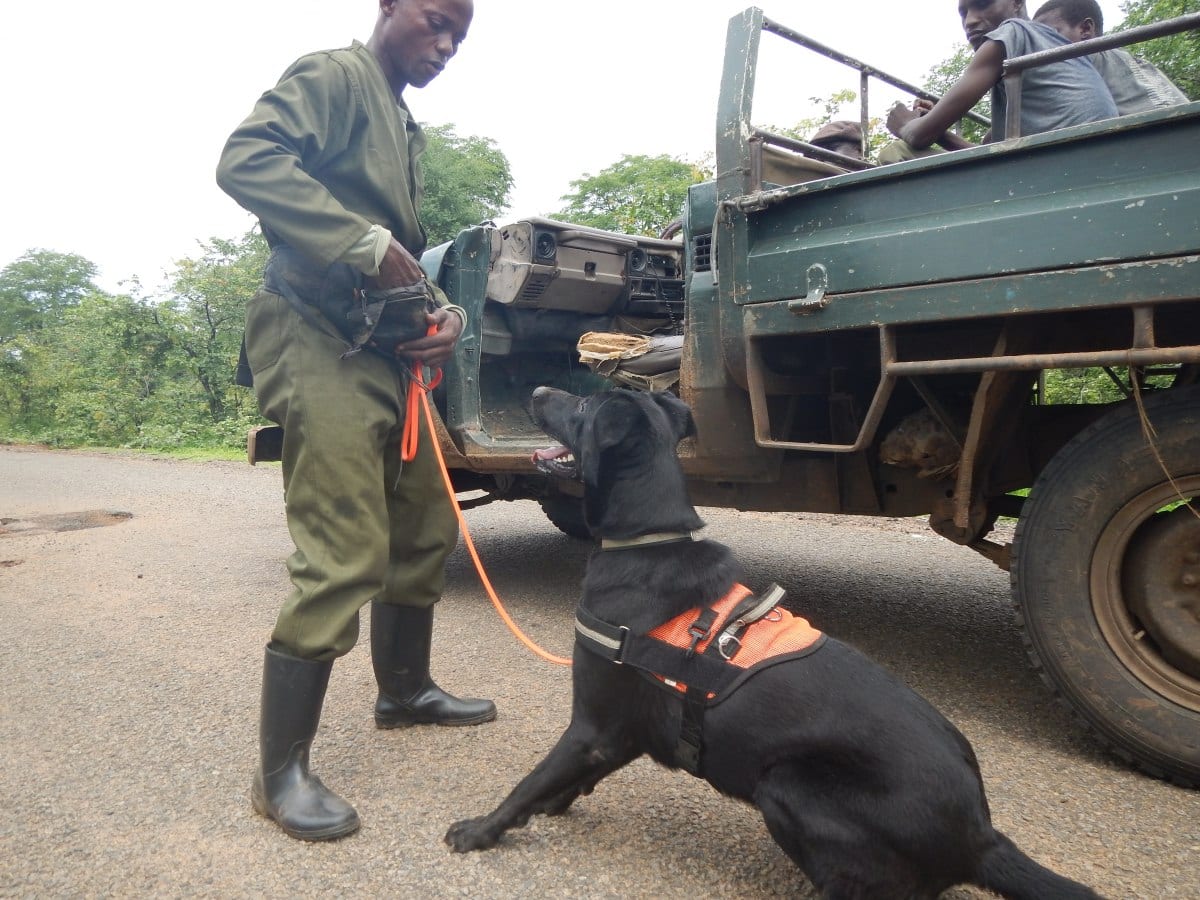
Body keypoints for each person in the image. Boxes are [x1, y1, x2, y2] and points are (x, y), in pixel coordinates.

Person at [215, 0, 494, 843]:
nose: (445, 45)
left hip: (386, 351)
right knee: (345, 550)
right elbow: (245, 160)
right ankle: (278, 777)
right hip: (315, 337)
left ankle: (403, 691)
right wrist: (360, 243)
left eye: (460, 37)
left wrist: (445, 314)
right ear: (388, 7)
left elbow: (399, 249)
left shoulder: (401, 123)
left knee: (424, 525)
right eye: (435, 21)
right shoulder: (336, 75)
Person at [880, 0, 1117, 164]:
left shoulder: (1013, 32)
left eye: (983, 4)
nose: (970, 21)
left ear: (1017, 3)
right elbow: (997, 155)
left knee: (896, 152)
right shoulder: (1059, 53)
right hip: (1076, 169)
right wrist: (941, 133)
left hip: (1046, 175)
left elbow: (918, 136)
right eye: (963, 13)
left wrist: (905, 124)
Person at [1033, 0, 1189, 114]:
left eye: (1050, 35)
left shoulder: (1086, 58)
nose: (1041, 46)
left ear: (1085, 30)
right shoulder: (1135, 63)